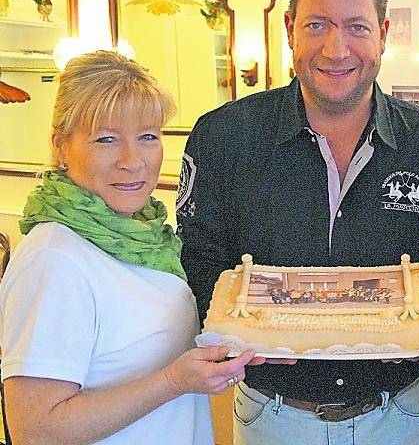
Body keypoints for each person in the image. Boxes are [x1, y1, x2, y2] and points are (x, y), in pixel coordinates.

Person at [176, 0, 419, 445]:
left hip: (404, 416)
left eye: (356, 26)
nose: (337, 49)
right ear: (289, 28)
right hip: (271, 417)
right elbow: (199, 261)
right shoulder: (223, 137)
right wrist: (241, 337)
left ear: (383, 34)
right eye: (317, 24)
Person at [0, 51, 260, 445]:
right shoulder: (55, 259)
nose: (133, 161)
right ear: (61, 147)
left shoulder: (146, 237)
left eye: (148, 137)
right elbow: (36, 430)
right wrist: (173, 382)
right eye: (106, 139)